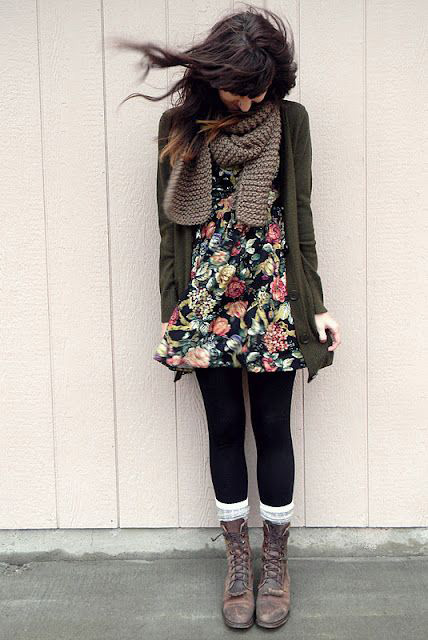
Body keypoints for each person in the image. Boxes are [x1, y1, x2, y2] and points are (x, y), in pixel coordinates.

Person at [117, 5, 341, 630]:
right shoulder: (178, 127)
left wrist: (317, 302)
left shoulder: (291, 122)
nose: (248, 102)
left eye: (259, 90)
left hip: (273, 296)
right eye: (238, 90)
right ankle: (238, 562)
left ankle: (276, 563)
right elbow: (169, 231)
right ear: (214, 77)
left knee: (271, 425)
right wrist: (172, 310)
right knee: (222, 426)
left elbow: (300, 216)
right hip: (206, 298)